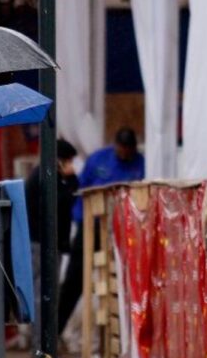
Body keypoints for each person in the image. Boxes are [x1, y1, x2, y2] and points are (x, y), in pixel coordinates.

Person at [57, 128, 144, 339]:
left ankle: (118, 338)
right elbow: (81, 189)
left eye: (128, 150)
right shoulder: (98, 159)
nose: (124, 153)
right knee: (73, 282)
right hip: (91, 225)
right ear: (116, 145)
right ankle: (53, 334)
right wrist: (80, 219)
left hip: (121, 229)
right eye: (121, 148)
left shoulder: (140, 163)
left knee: (117, 282)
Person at [24, 139, 79, 351]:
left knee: (44, 295)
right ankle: (42, 346)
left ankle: (42, 344)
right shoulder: (46, 176)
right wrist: (72, 179)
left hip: (42, 243)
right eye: (69, 161)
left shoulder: (43, 174)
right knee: (44, 295)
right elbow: (61, 202)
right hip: (43, 244)